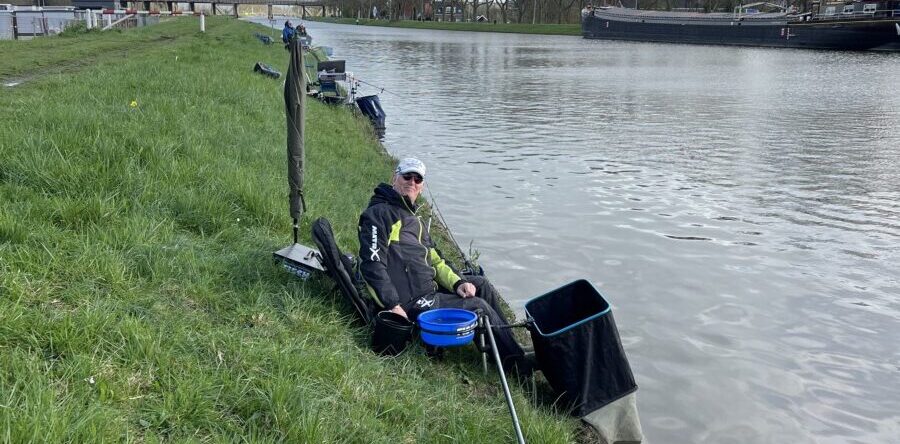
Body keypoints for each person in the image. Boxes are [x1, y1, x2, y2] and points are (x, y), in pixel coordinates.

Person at [357, 158, 530, 372]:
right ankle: (516, 365)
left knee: (480, 284)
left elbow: (436, 260)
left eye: (418, 178)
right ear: (394, 178)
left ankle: (508, 342)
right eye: (407, 176)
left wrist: (459, 283)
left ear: (421, 186)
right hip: (410, 303)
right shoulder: (379, 214)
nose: (412, 182)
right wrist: (393, 306)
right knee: (478, 306)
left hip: (426, 289)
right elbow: (372, 265)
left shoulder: (414, 218)